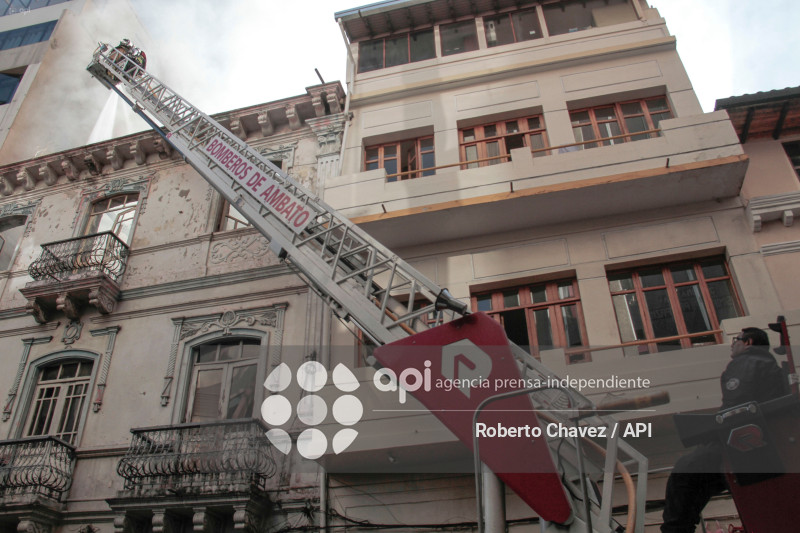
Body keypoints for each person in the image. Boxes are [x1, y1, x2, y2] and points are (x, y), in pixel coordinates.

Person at [661, 327, 789, 533]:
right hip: (765, 445)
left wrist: (711, 431)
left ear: (748, 342)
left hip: (743, 445)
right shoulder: (769, 365)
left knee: (685, 471)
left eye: (736, 339)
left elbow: (735, 408)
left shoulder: (747, 362)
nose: (732, 344)